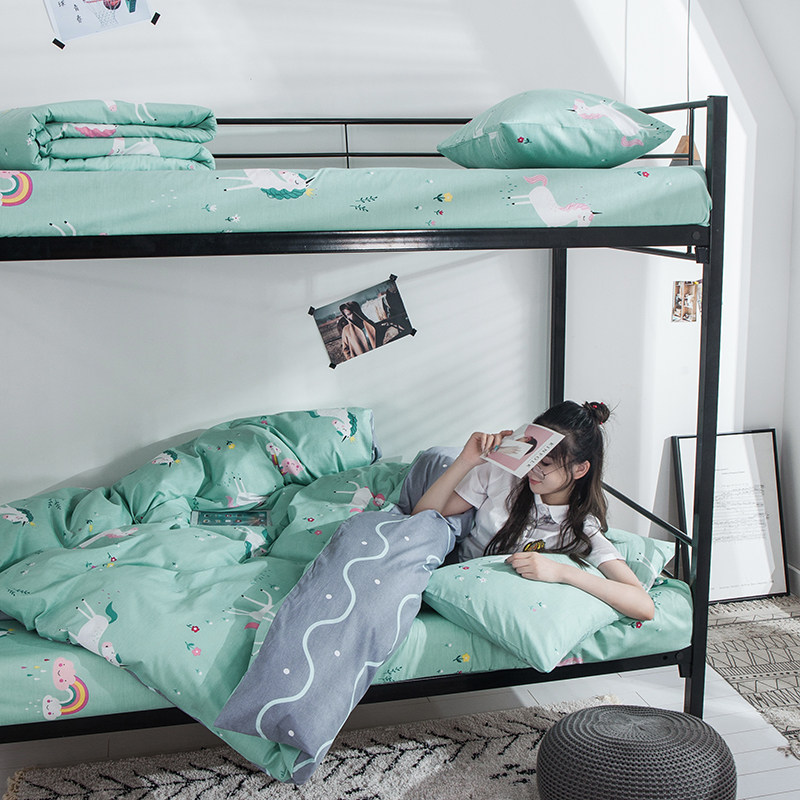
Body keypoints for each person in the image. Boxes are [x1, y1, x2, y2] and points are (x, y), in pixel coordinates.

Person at [412, 400, 655, 621]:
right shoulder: (502, 474)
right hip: (450, 583)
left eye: (545, 463)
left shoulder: (579, 528)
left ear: (580, 470)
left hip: (496, 605)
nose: (531, 469)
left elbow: (644, 605)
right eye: (531, 456)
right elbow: (422, 516)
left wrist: (563, 572)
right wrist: (466, 460)